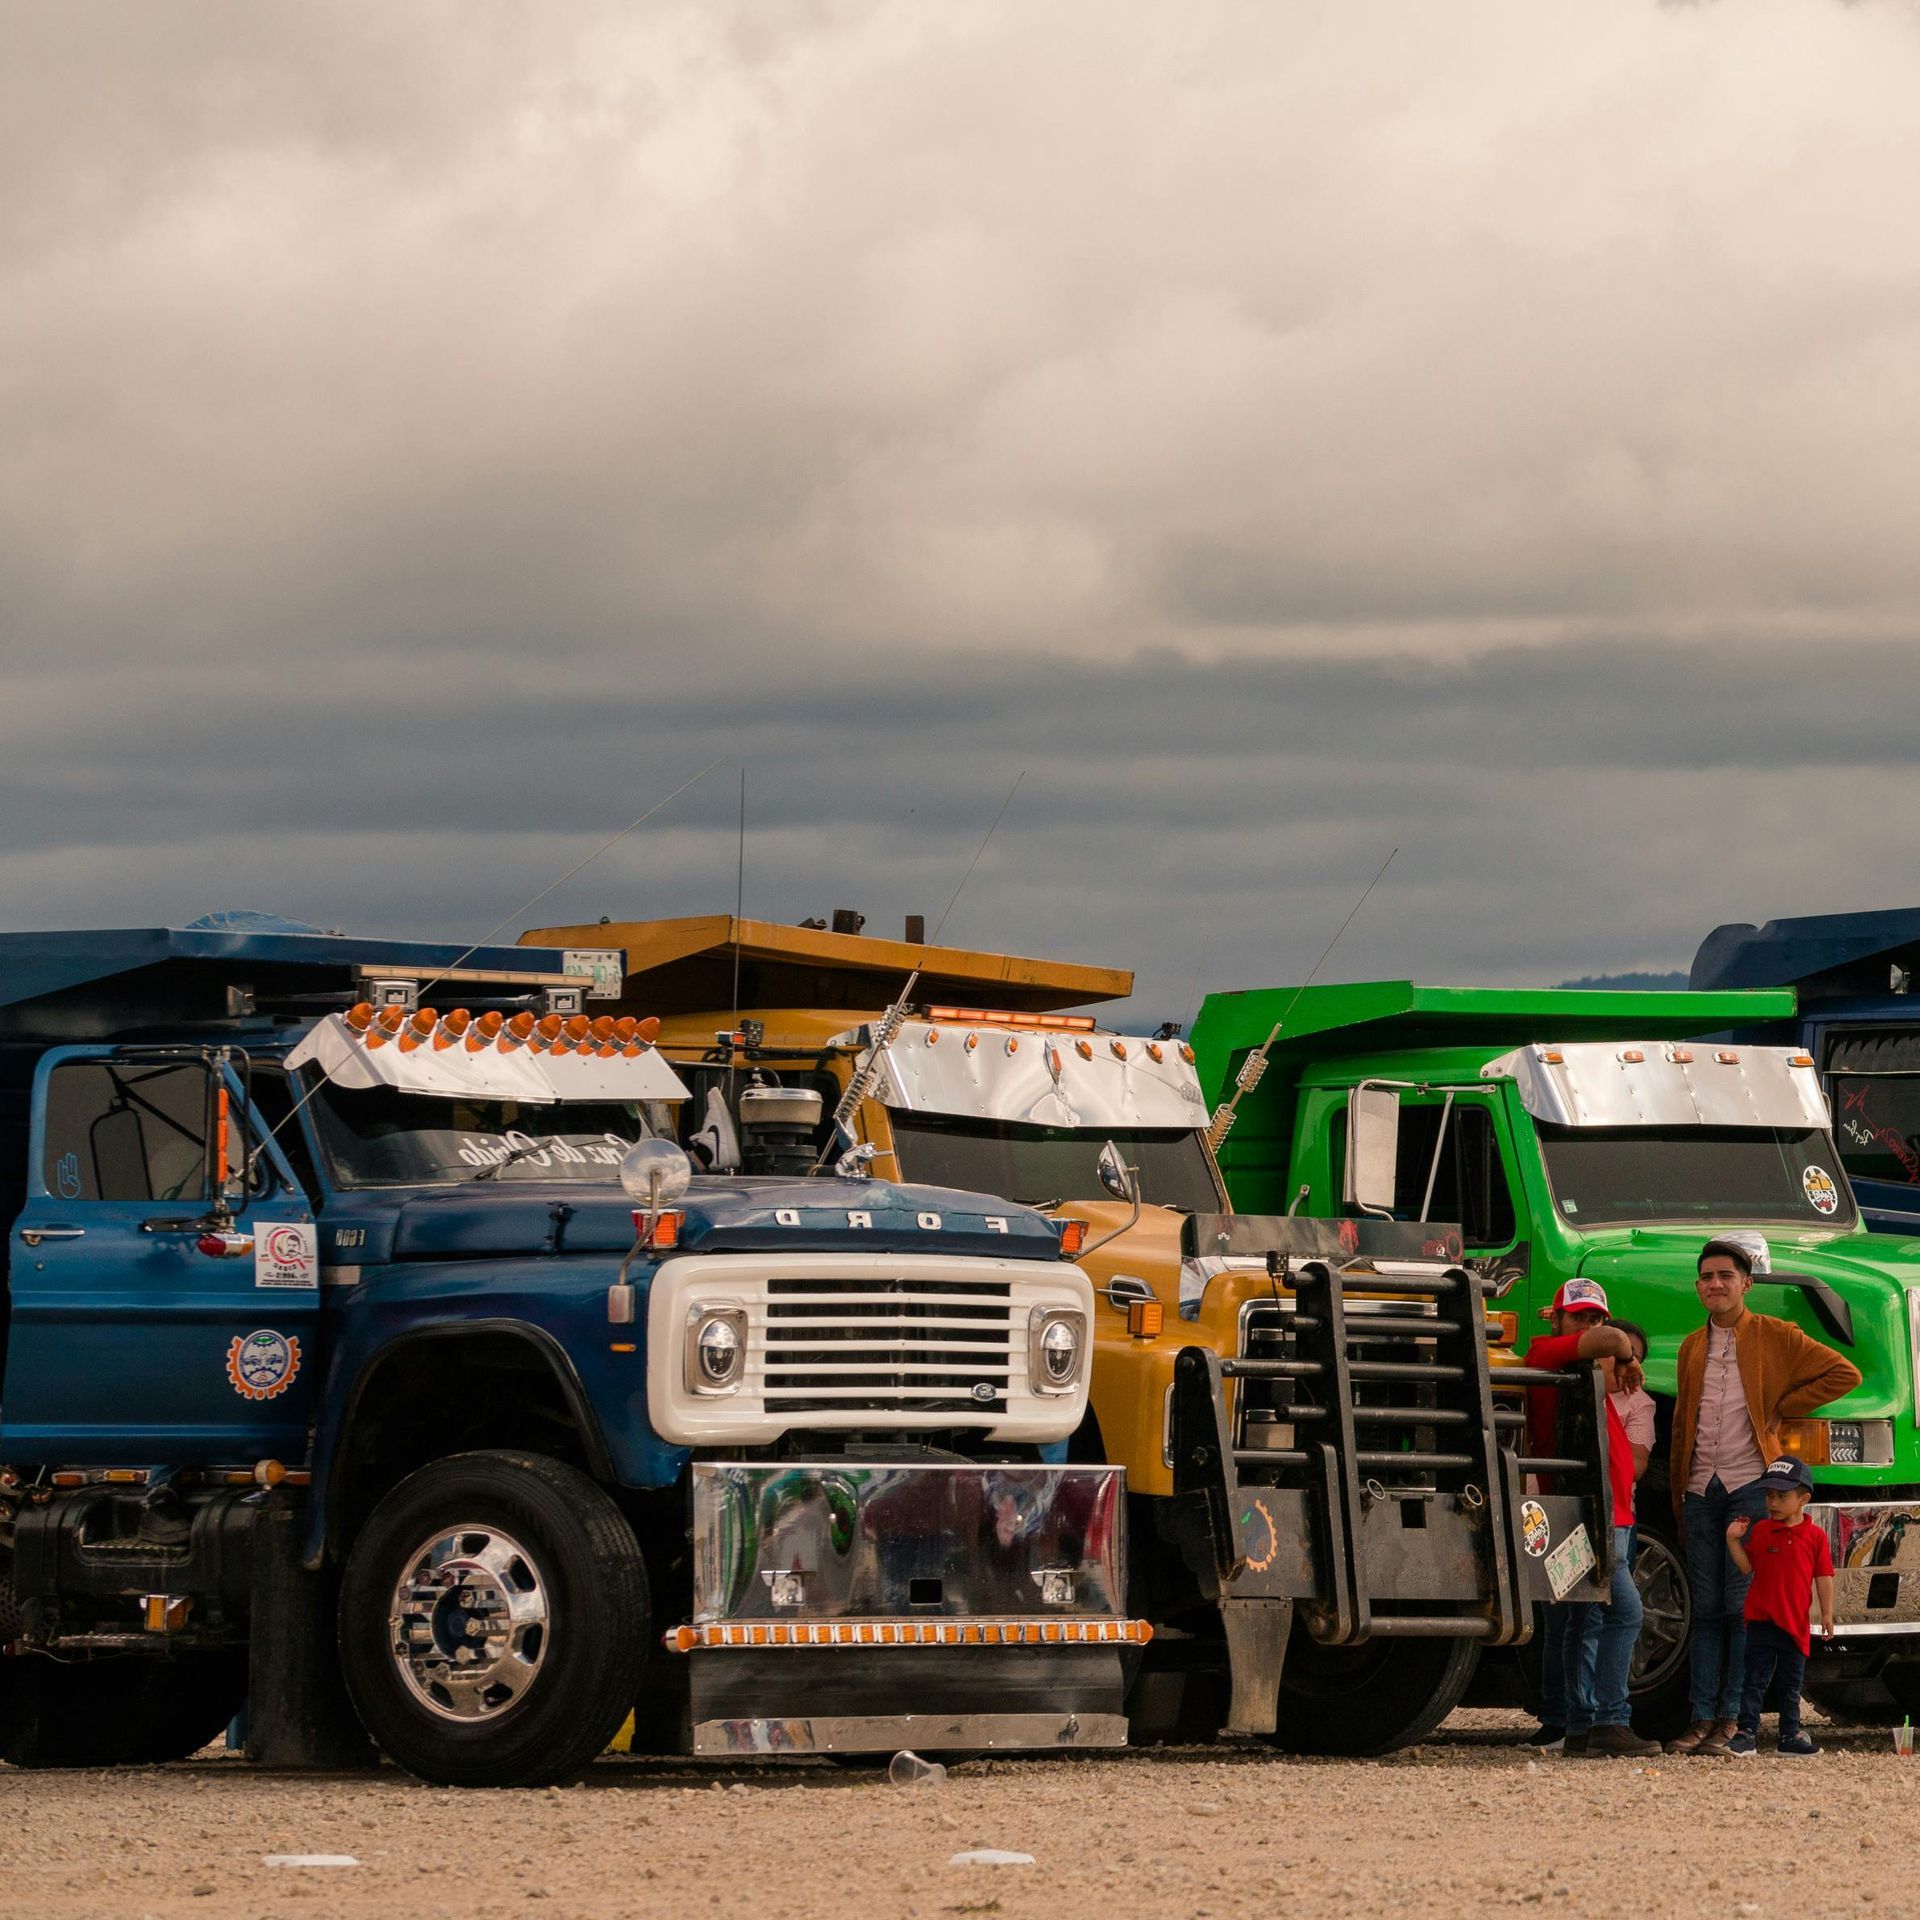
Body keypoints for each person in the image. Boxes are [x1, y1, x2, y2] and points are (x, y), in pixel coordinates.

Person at [1666, 1238, 1860, 1756]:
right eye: (1706, 1276)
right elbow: (1685, 1420)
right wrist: (1677, 1494)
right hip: (1700, 1487)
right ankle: (1700, 1717)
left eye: (1725, 1275)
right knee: (1704, 1609)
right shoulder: (1691, 1345)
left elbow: (1845, 1373)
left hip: (1752, 1484)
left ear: (1747, 1283)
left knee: (1740, 1608)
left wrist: (1781, 1406)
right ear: (1698, 1285)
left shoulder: (1775, 1334)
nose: (1715, 1284)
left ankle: (1733, 1720)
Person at [1521, 1277, 1658, 1757]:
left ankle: (1582, 1723)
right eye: (1579, 1315)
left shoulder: (1581, 1373)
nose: (1591, 1324)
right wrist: (1624, 1353)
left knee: (1584, 1619)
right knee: (1623, 1611)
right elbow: (1616, 1337)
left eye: (1596, 1315)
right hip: (1591, 1512)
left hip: (1603, 1509)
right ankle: (1609, 1718)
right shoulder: (1546, 1353)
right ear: (1556, 1318)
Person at [1721, 1454, 1835, 1756]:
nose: (1772, 1502)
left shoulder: (1815, 1536)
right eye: (1769, 1495)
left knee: (1790, 1683)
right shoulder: (1761, 1531)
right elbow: (1747, 1568)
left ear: (1803, 1499)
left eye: (1781, 1496)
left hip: (1795, 1624)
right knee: (1754, 1680)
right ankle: (1746, 1733)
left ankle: (1789, 1735)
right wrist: (1734, 1541)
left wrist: (1827, 1613)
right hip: (1760, 1620)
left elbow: (1824, 1576)